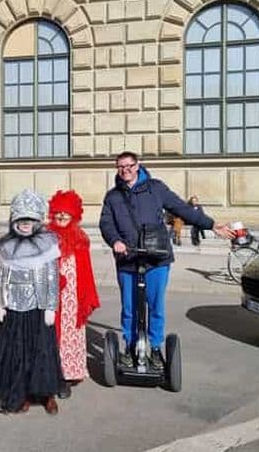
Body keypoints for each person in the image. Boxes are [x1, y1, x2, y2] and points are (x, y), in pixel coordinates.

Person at [99, 152, 234, 370]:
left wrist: (211, 225)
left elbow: (182, 209)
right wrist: (115, 240)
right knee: (129, 308)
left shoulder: (156, 188)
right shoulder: (113, 196)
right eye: (121, 167)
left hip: (157, 258)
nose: (125, 170)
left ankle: (153, 347)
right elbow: (106, 223)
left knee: (155, 306)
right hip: (127, 259)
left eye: (129, 166)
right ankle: (130, 345)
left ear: (138, 165)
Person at [0, 189, 63, 415]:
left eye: (29, 220)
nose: (25, 224)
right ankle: (23, 392)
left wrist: (51, 306)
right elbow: (0, 276)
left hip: (38, 307)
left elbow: (52, 279)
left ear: (38, 221)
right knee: (17, 352)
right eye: (20, 220)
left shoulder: (47, 246)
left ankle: (46, 393)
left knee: (41, 349)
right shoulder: (7, 247)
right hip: (14, 308)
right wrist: (0, 303)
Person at [47, 190, 99, 397]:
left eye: (65, 213)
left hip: (72, 296)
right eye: (58, 212)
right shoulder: (45, 236)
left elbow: (86, 269)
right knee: (49, 332)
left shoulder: (80, 238)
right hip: (49, 292)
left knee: (69, 332)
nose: (61, 216)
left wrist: (87, 296)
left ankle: (67, 373)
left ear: (74, 215)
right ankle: (49, 373)